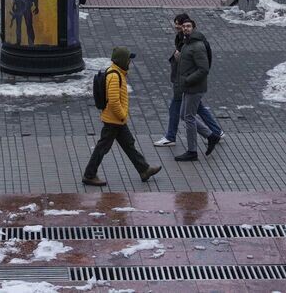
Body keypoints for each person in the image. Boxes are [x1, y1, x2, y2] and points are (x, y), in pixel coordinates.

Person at [82, 47, 162, 186]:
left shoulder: (118, 72)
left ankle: (144, 170)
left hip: (116, 119)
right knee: (102, 147)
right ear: (122, 60)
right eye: (128, 59)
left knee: (128, 144)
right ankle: (89, 175)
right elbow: (113, 101)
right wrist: (122, 115)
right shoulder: (114, 76)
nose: (130, 62)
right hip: (114, 120)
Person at [155, 13, 222, 147]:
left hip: (187, 82)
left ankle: (173, 137)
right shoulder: (184, 39)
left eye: (181, 27)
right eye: (178, 27)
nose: (179, 30)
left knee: (181, 111)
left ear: (191, 27)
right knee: (197, 108)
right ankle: (215, 132)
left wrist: (186, 79)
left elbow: (203, 66)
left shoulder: (195, 42)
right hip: (186, 81)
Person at [174, 18, 220, 161]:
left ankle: (192, 151)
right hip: (188, 86)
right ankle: (211, 135)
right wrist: (179, 58)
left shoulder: (197, 45)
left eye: (188, 26)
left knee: (189, 117)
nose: (186, 28)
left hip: (195, 87)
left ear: (194, 28)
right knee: (184, 115)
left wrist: (188, 80)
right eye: (184, 26)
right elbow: (188, 63)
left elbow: (203, 69)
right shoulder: (187, 43)